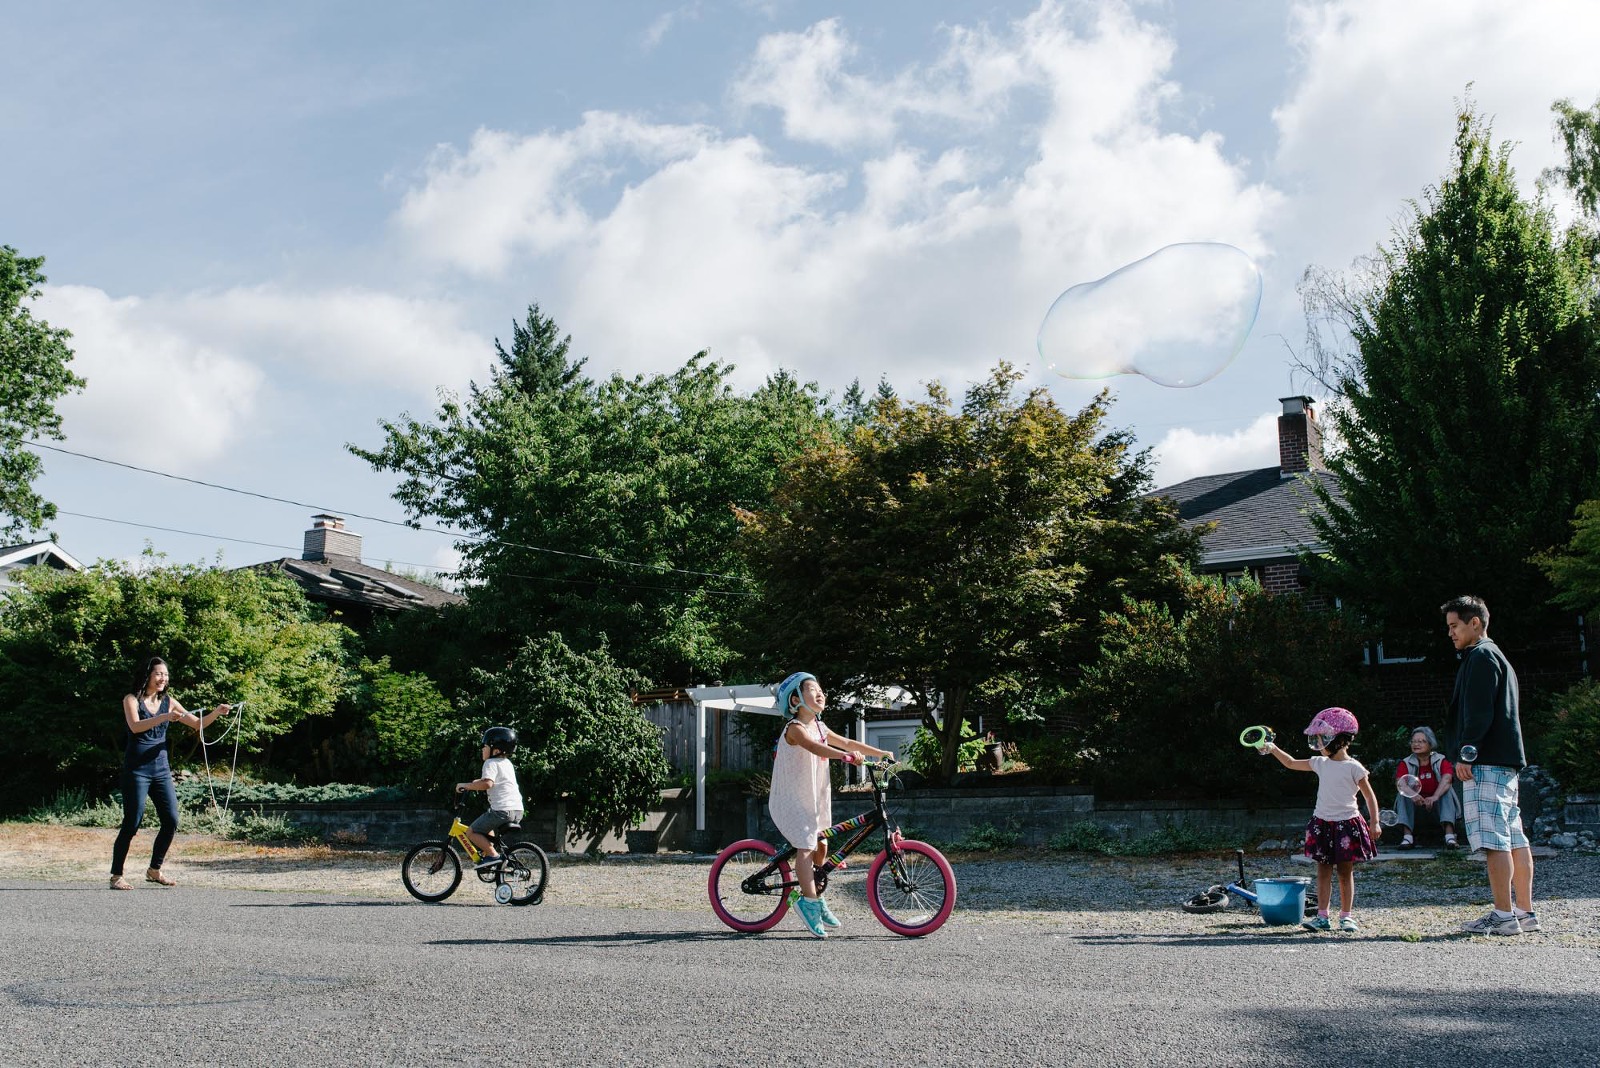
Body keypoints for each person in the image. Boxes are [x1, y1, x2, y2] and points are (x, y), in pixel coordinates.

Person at [766, 672, 892, 938]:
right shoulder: (795, 729)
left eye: (820, 688)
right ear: (795, 700)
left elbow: (846, 742)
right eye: (812, 689)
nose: (820, 692)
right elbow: (814, 748)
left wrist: (879, 753)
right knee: (807, 845)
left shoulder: (821, 727)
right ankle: (808, 903)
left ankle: (813, 890)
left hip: (814, 796)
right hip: (792, 798)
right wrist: (846, 757)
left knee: (823, 843)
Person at [1442, 595, 1538, 935]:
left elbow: (1478, 711)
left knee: (1494, 839)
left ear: (1475, 623)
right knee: (1514, 837)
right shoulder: (1498, 657)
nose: (1451, 633)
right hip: (1506, 760)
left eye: (1455, 626)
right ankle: (1524, 912)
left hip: (1485, 761)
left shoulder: (1481, 656)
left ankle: (1502, 915)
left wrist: (1467, 753)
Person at [109, 656, 231, 890]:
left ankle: (154, 869)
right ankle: (116, 875)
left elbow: (198, 724)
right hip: (137, 770)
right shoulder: (131, 699)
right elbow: (135, 726)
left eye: (165, 674)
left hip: (161, 770)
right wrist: (164, 717)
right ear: (148, 675)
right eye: (159, 674)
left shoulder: (170, 701)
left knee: (171, 820)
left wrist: (216, 712)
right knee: (132, 823)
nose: (163, 678)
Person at [1260, 706, 1381, 932]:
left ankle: (1346, 916)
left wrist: (1375, 821)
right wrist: (1273, 748)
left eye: (1321, 738)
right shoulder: (1320, 763)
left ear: (1338, 739)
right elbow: (1291, 763)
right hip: (1323, 823)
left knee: (1346, 872)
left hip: (1347, 824)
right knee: (1323, 870)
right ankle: (1322, 916)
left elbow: (1369, 796)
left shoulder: (1354, 767)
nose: (1318, 744)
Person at [455, 726, 523, 868]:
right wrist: (474, 783)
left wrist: (466, 785)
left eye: (485, 746)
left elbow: (488, 783)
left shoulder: (490, 763)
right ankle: (489, 852)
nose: (482, 749)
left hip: (502, 810)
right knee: (486, 825)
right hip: (516, 810)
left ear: (496, 750)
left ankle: (493, 856)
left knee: (471, 831)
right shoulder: (507, 763)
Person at [1392, 726, 1461, 849]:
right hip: (1416, 805)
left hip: (1436, 804)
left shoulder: (1441, 760)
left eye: (1421, 741)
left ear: (1430, 744)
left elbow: (1447, 779)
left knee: (1447, 790)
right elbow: (1400, 782)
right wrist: (1413, 795)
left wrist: (1435, 796)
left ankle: (1450, 836)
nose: (1416, 744)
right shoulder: (1406, 762)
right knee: (1403, 792)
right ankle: (1407, 837)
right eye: (1413, 741)